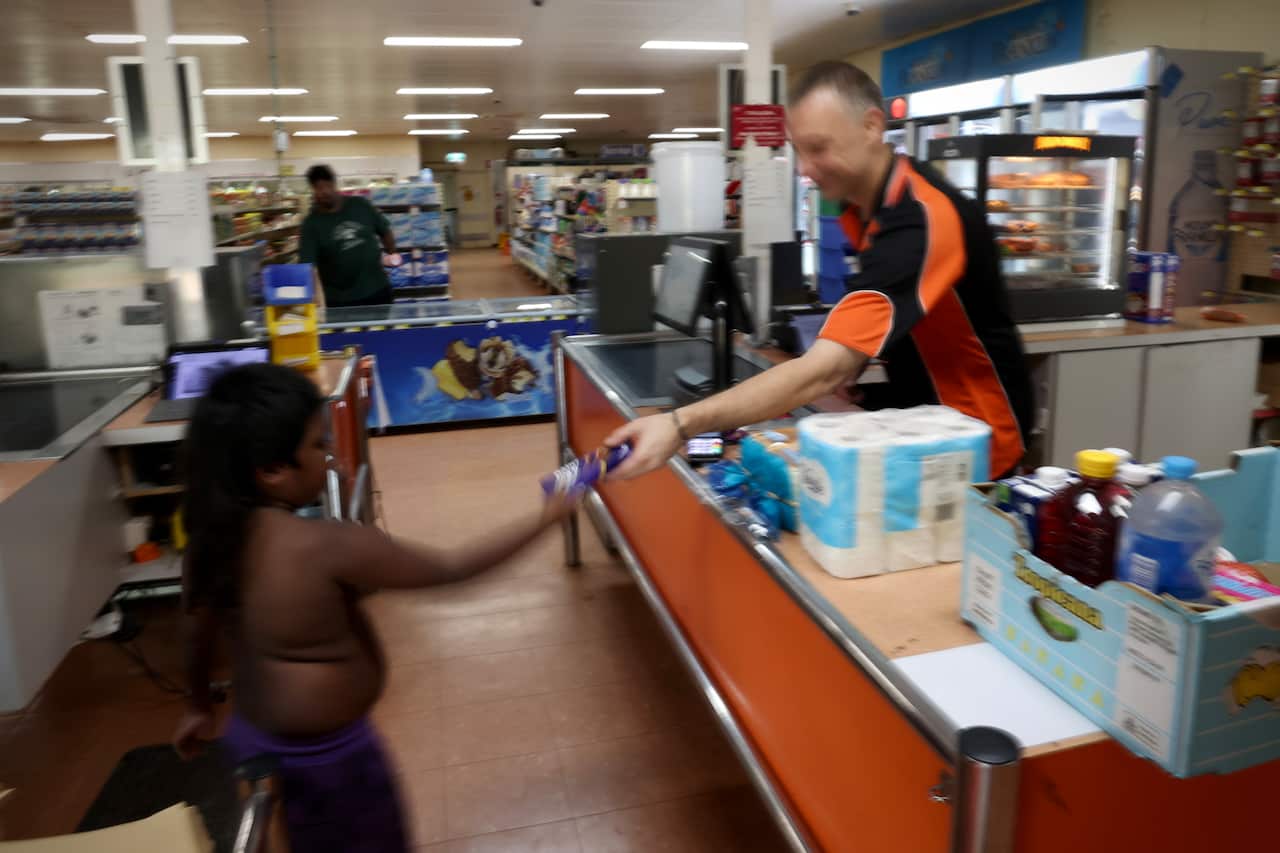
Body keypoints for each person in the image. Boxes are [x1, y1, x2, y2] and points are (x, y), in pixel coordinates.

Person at [172, 363, 577, 851]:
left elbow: (194, 632)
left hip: (253, 741)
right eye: (318, 446)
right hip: (330, 762)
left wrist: (197, 705)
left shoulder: (209, 543)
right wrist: (547, 517)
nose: (329, 457)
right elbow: (452, 569)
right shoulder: (326, 545)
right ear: (273, 471)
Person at [609, 61, 1033, 481]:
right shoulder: (863, 208)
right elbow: (904, 315)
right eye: (798, 149)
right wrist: (856, 365)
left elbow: (824, 368)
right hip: (923, 427)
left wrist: (679, 424)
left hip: (976, 444)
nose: (804, 169)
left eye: (818, 148)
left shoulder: (921, 217)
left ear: (871, 126)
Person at [299, 164, 397, 310]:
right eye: (318, 188)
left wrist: (392, 254)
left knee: (383, 331)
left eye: (327, 186)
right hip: (339, 300)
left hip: (377, 290)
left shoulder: (360, 205)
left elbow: (384, 230)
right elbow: (308, 266)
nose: (324, 192)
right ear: (313, 190)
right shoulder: (311, 224)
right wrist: (315, 298)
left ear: (334, 184)